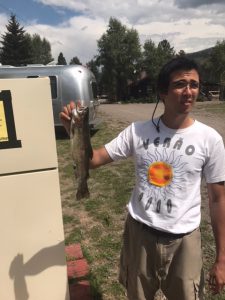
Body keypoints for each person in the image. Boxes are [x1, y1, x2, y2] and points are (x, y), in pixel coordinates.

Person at [60, 57, 225, 300]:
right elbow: (93, 160)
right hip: (140, 235)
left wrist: (222, 258)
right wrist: (74, 130)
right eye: (180, 84)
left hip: (185, 241)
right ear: (162, 91)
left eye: (194, 84)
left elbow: (219, 200)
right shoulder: (137, 131)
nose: (189, 91)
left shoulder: (210, 139)